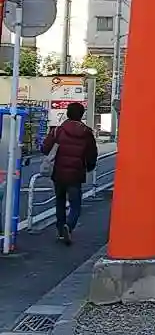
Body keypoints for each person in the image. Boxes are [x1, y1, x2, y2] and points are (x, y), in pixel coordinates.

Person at [41, 102, 98, 246]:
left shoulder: (58, 131)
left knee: (60, 201)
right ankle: (69, 225)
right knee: (75, 204)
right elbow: (92, 154)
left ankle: (61, 230)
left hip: (59, 173)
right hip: (76, 174)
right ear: (82, 115)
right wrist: (89, 167)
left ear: (67, 113)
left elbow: (45, 148)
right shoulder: (86, 133)